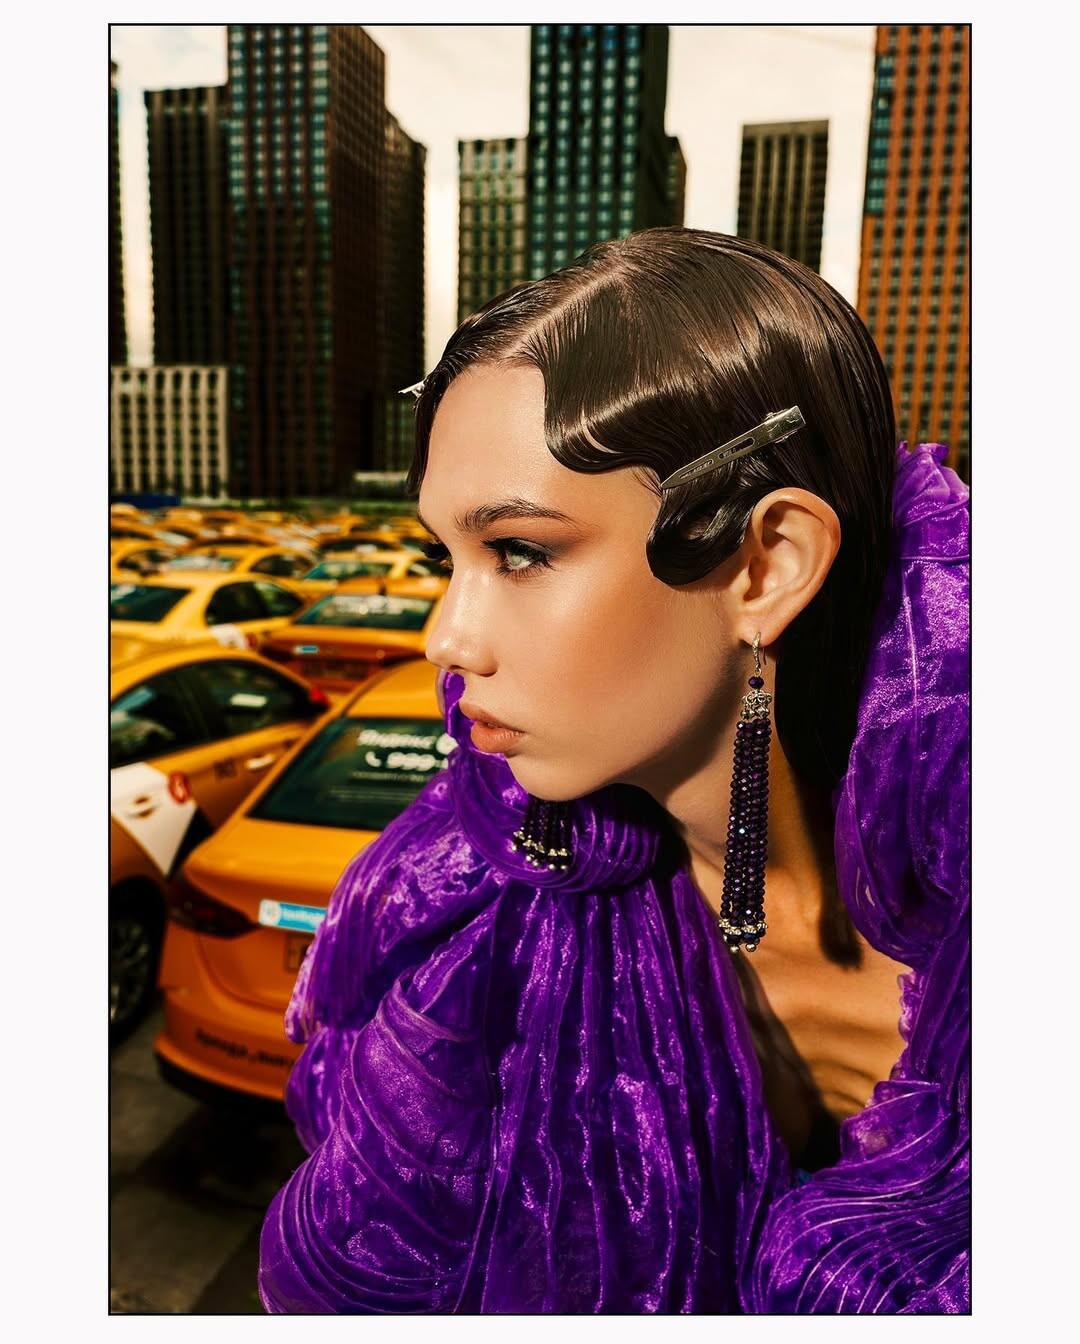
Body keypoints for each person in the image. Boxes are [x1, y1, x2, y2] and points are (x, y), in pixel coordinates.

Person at [258, 228, 969, 1314]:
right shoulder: (482, 910)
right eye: (444, 557)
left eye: (520, 551)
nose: (447, 638)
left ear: (766, 566)